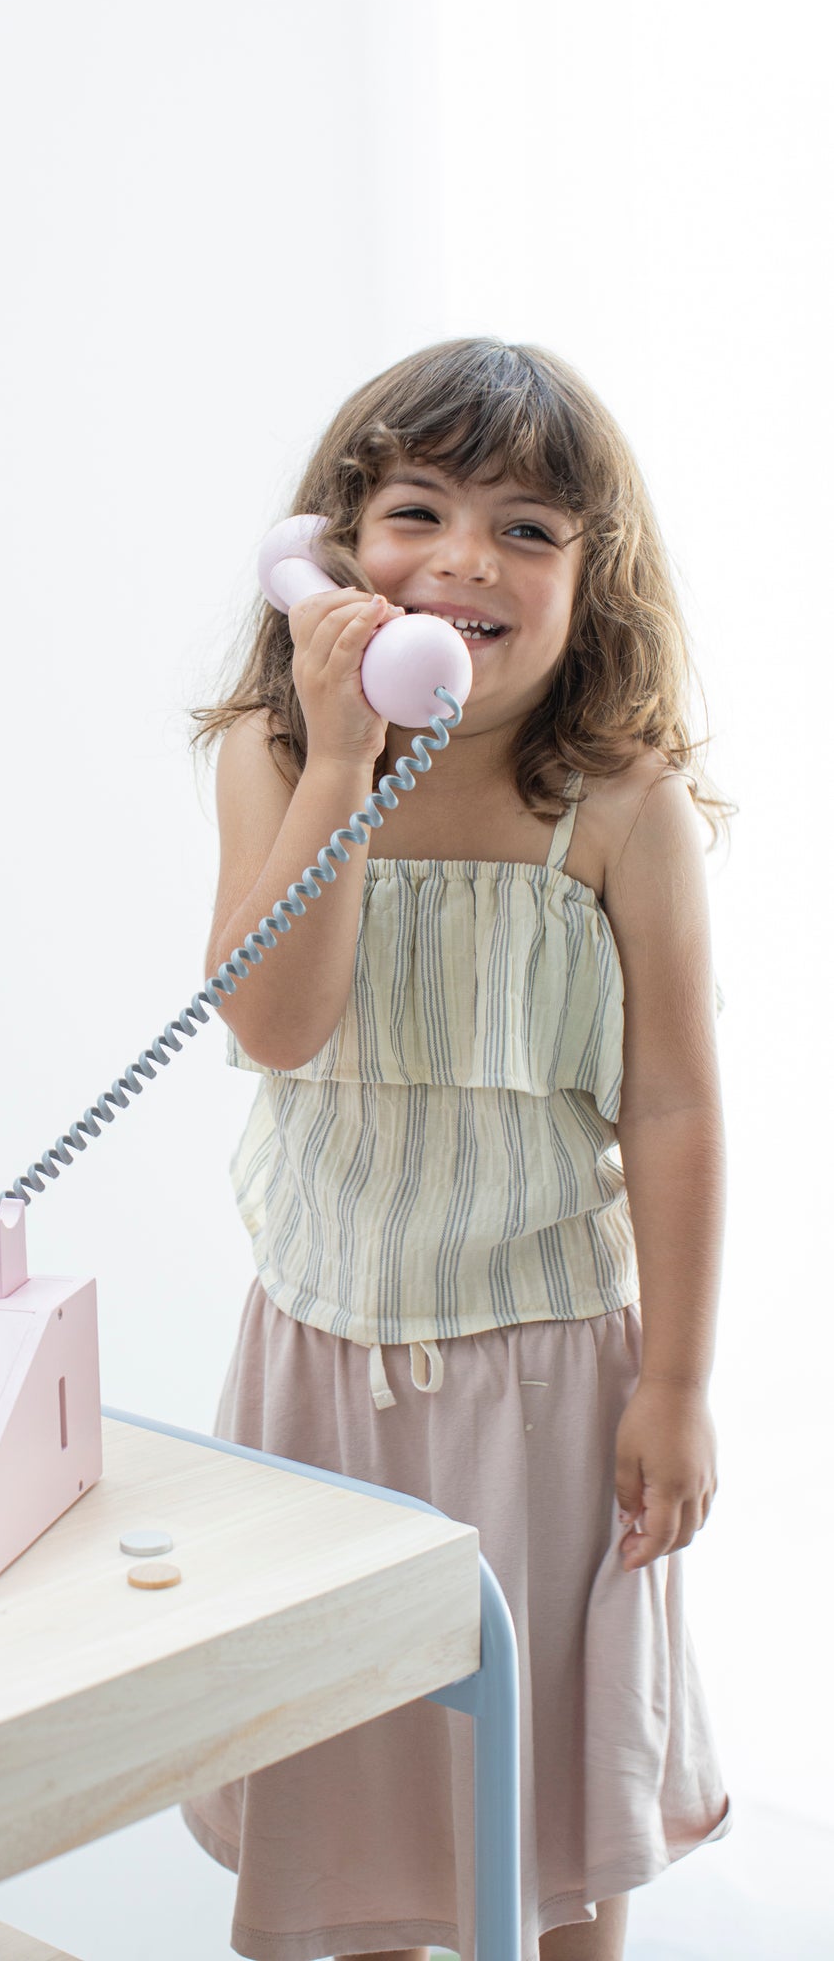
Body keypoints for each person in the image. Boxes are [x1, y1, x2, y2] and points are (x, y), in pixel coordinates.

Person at [181, 339, 733, 1961]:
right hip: (315, 1374)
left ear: (589, 578)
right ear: (332, 547)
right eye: (417, 510)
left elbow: (679, 1103)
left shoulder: (620, 804)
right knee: (341, 1792)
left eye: (527, 531)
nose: (465, 561)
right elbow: (271, 1029)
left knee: (548, 1819)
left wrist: (678, 1385)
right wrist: (342, 759)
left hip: (548, 1377)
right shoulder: (275, 760)